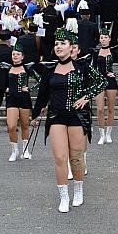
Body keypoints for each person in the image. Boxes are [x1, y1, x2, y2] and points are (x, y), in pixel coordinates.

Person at [31, 28, 106, 213]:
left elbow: (102, 82)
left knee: (76, 157)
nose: (59, 47)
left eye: (63, 44)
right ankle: (64, 197)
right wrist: (35, 115)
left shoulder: (82, 67)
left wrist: (86, 97)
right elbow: (42, 95)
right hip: (56, 116)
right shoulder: (49, 70)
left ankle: (78, 189)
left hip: (77, 117)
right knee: (59, 158)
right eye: (56, 44)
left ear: (71, 47)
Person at [0, 41, 38, 162]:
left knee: (25, 125)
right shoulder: (7, 68)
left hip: (24, 99)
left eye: (18, 54)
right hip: (11, 99)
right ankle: (14, 150)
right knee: (11, 126)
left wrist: (30, 89)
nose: (15, 56)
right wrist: (6, 87)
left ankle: (25, 149)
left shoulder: (27, 68)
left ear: (22, 56)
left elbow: (40, 80)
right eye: (14, 54)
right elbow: (2, 81)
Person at [92, 27, 118, 144]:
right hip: (99, 81)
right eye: (101, 38)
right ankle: (101, 134)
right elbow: (92, 68)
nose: (103, 40)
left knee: (110, 108)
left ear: (109, 39)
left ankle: (108, 133)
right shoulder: (96, 52)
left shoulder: (114, 52)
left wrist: (116, 74)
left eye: (105, 37)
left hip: (111, 81)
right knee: (99, 109)